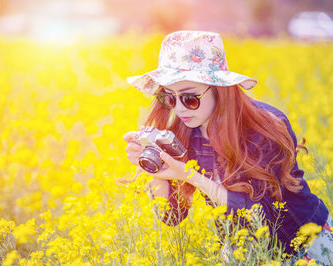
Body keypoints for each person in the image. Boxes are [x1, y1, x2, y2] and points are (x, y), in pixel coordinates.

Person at [123, 31, 332, 263]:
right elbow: (171, 217)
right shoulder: (182, 134)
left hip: (305, 245)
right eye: (170, 99)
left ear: (220, 90)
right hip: (247, 252)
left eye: (190, 98)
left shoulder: (265, 129)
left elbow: (262, 216)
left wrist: (191, 176)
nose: (180, 109)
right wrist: (156, 170)